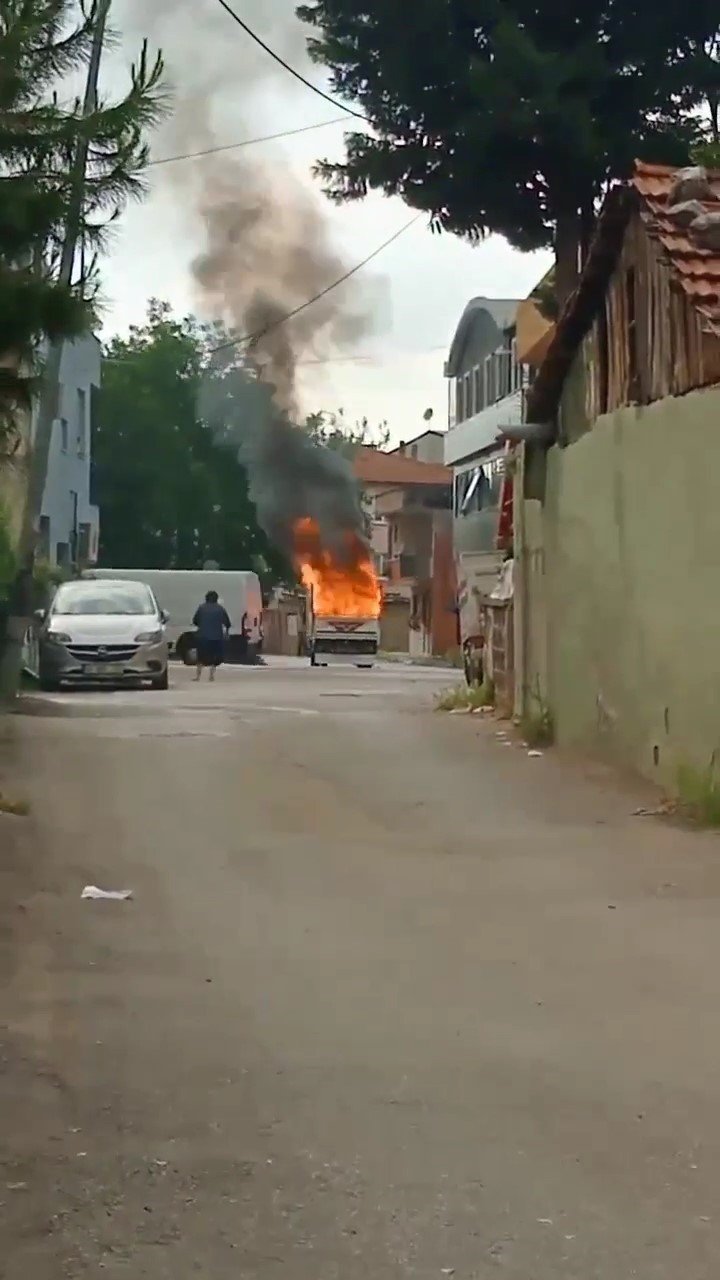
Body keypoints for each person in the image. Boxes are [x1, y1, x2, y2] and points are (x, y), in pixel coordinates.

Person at [192, 591, 231, 682]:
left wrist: (201, 625)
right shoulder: (220, 609)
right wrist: (226, 632)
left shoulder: (201, 608)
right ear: (216, 599)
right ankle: (211, 676)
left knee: (200, 658)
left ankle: (198, 676)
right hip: (216, 637)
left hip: (202, 636)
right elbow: (227, 623)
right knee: (214, 658)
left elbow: (195, 620)